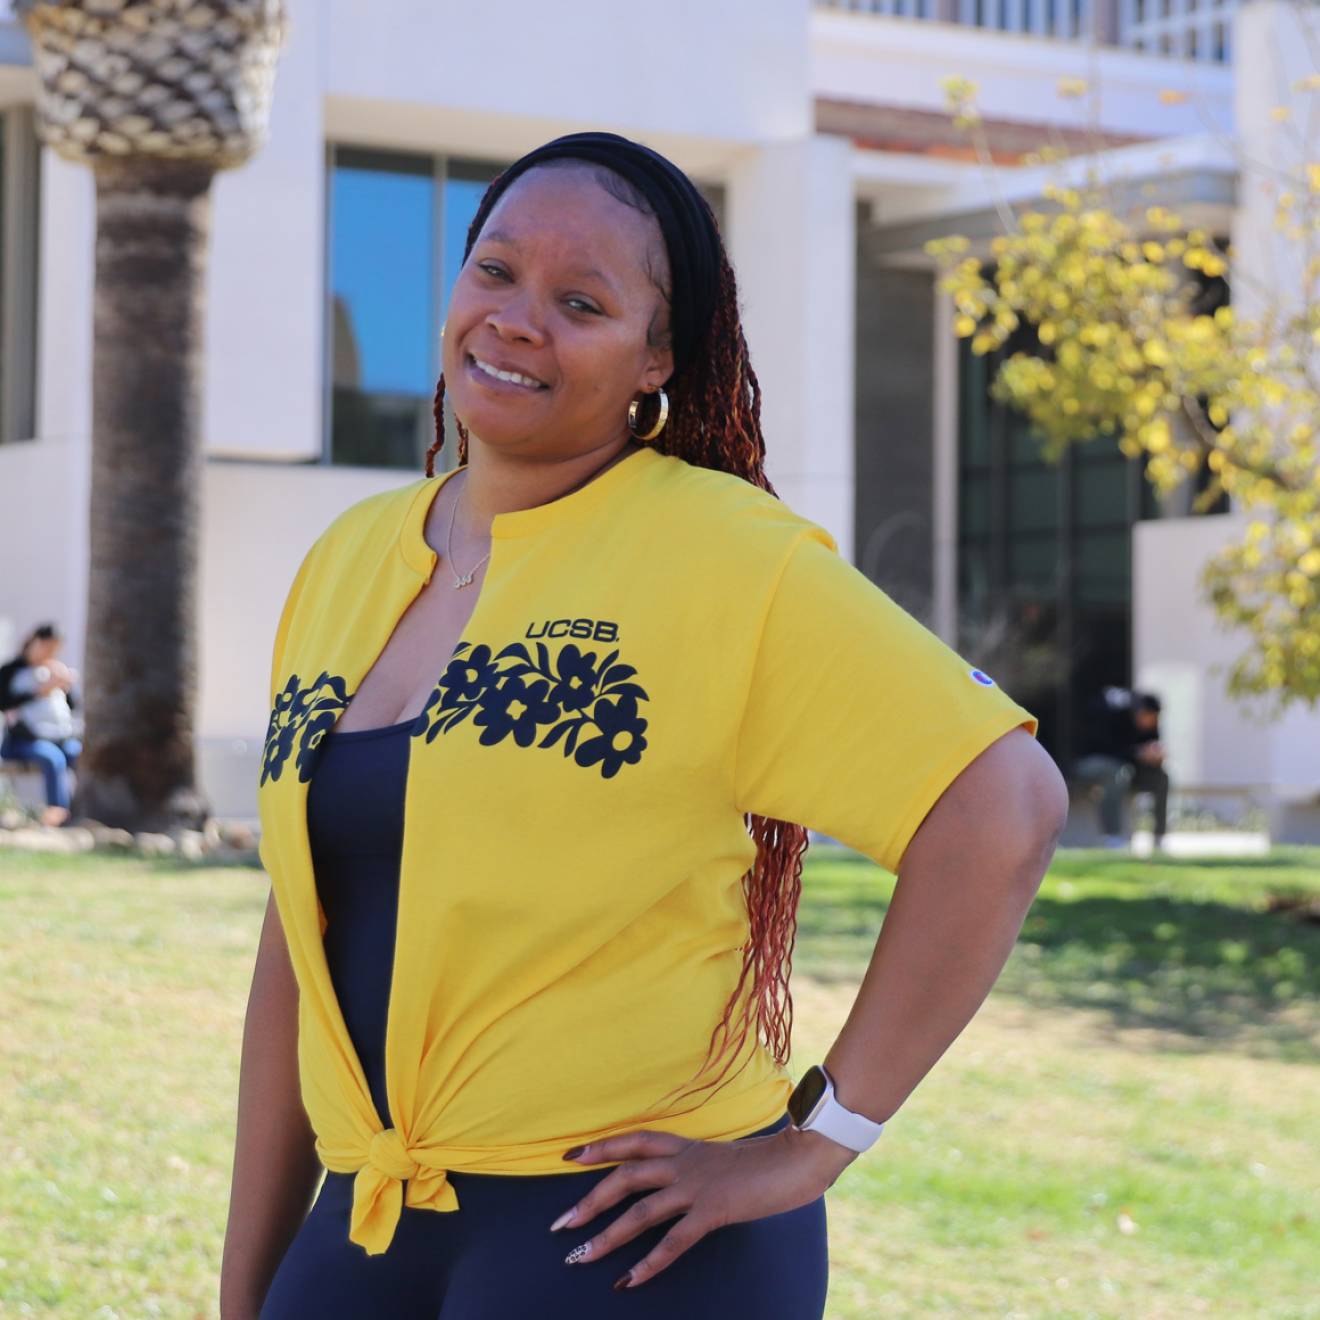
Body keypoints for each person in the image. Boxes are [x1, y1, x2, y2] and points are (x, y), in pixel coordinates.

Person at [221, 131, 1067, 1320]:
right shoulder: (347, 560)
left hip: (626, 1244)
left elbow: (1003, 806)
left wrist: (812, 1145)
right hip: (366, 1224)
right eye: (496, 273)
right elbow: (297, 947)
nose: (518, 320)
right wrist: (250, 1283)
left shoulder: (725, 557)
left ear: (654, 354)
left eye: (582, 301)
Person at [0, 622, 83, 828]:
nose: (49, 653)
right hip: (23, 740)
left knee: (81, 754)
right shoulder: (12, 671)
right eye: (46, 647)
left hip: (59, 736)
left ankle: (80, 812)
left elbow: (71, 706)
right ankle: (58, 816)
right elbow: (4, 702)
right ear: (34, 642)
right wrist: (40, 691)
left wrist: (65, 684)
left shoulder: (53, 669)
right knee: (53, 758)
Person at [1073, 687, 1169, 851]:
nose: (1150, 722)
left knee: (1162, 777)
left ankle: (1159, 837)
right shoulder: (1115, 716)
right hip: (1091, 762)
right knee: (1116, 773)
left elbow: (1145, 752)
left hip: (1128, 767)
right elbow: (1108, 750)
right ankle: (1112, 836)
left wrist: (1155, 757)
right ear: (1138, 712)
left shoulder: (1151, 726)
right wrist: (1137, 753)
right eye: (1147, 716)